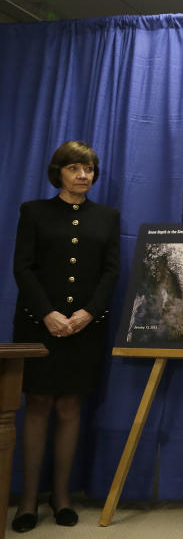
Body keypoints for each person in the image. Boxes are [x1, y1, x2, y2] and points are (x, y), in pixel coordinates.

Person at [11, 141, 120, 532]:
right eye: (75, 168)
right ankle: (27, 501)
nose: (83, 176)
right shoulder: (34, 212)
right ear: (59, 172)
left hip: (84, 327)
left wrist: (88, 313)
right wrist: (48, 313)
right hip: (39, 324)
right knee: (37, 405)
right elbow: (23, 268)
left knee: (71, 407)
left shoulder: (107, 217)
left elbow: (111, 272)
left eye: (89, 169)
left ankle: (61, 497)